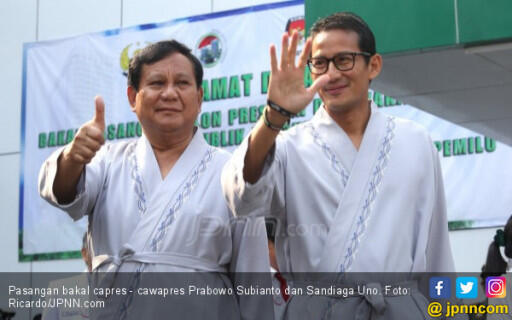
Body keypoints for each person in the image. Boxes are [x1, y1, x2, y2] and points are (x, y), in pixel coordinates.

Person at [222, 12, 454, 318]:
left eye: (344, 60)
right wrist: (274, 115)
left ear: (374, 65)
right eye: (320, 63)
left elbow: (437, 249)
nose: (331, 74)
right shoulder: (289, 146)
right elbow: (242, 199)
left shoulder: (415, 141)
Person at [39, 40, 271, 320]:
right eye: (157, 83)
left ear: (199, 98)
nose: (169, 93)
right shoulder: (107, 160)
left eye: (182, 83)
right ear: (132, 97)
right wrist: (73, 158)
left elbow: (254, 282)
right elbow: (64, 194)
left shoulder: (232, 171)